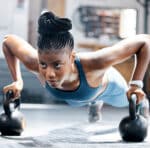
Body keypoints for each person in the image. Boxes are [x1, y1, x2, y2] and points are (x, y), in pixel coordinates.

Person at [2, 11, 150, 123]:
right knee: (84, 99)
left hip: (109, 87)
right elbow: (8, 41)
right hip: (81, 97)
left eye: (57, 65)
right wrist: (18, 81)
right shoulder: (34, 63)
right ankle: (94, 102)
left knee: (125, 102)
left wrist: (136, 84)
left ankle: (143, 103)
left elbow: (145, 42)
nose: (49, 74)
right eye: (43, 64)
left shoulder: (96, 62)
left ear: (72, 57)